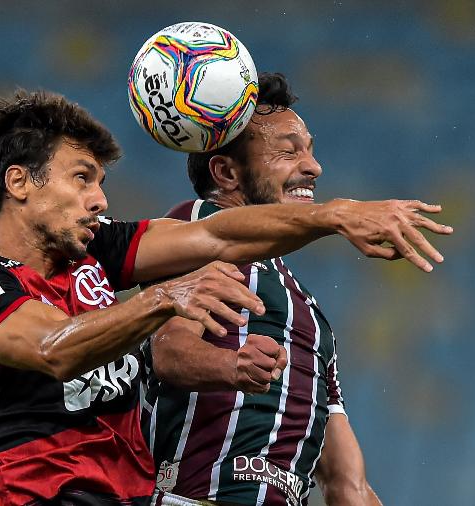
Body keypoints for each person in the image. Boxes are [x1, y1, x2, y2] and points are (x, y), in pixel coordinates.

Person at [0, 89, 450, 505]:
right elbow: (52, 348)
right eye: (81, 179)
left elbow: (219, 235)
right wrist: (165, 298)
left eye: (101, 182)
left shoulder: (98, 255)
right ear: (19, 182)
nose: (99, 199)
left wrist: (337, 215)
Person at [144, 74, 383, 505]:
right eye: (289, 151)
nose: (313, 167)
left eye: (310, 149)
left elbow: (348, 484)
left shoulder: (309, 314)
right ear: (227, 171)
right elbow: (167, 350)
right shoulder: (193, 226)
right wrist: (233, 364)